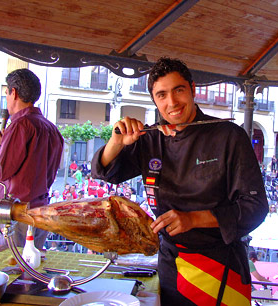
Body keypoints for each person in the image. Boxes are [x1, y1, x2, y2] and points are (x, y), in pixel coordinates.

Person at [92, 57, 268, 305]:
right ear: (154, 100)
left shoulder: (229, 136)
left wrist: (192, 218)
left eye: (179, 90)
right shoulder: (149, 139)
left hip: (220, 266)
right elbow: (104, 173)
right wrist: (116, 141)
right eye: (161, 95)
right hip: (171, 264)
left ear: (193, 90)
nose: (172, 102)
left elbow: (256, 207)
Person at [0, 68, 63, 250]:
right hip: (40, 211)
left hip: (14, 213)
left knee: (12, 270)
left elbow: (1, 172)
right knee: (31, 268)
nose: (6, 98)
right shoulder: (52, 129)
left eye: (6, 93)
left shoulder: (21, 125)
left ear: (13, 92)